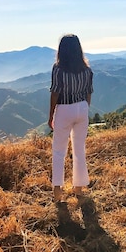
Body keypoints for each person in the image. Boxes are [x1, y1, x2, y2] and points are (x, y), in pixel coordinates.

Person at [49, 34, 93, 201]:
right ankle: (79, 188)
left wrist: (51, 114)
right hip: (82, 107)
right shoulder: (87, 70)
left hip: (64, 108)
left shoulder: (58, 69)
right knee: (79, 149)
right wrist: (84, 108)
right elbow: (89, 92)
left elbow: (55, 92)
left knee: (59, 150)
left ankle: (58, 192)